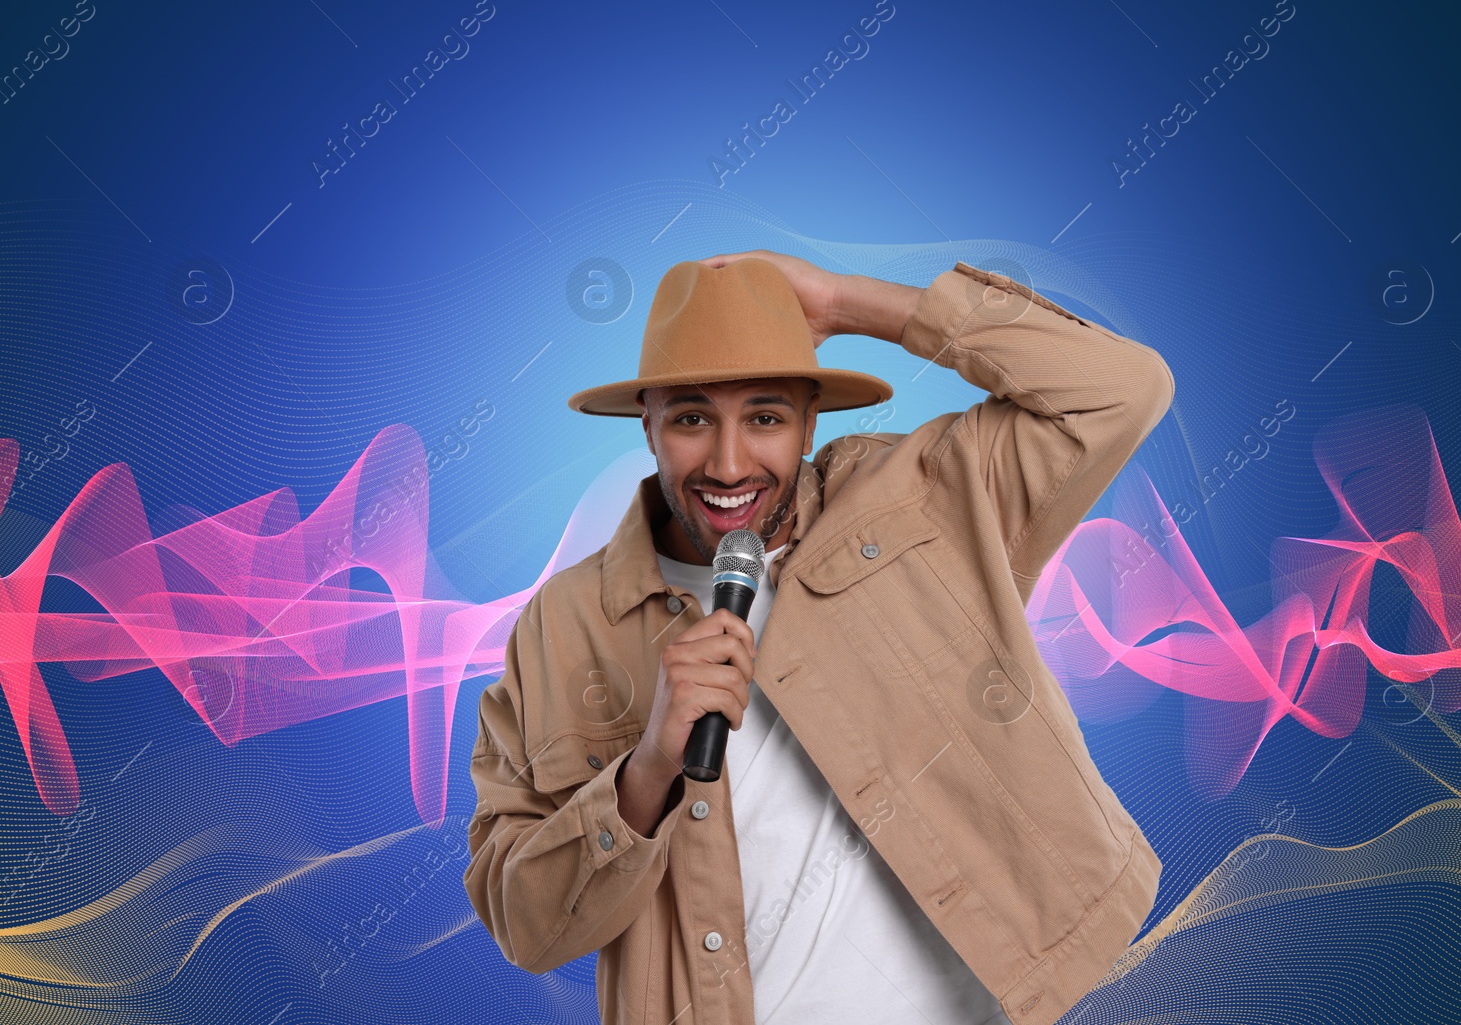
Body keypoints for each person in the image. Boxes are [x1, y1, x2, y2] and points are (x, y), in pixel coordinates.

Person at [463, 250, 1174, 1024]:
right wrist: (646, 771)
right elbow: (523, 924)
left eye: (765, 416)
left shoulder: (926, 496)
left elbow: (1121, 390)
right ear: (649, 426)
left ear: (809, 420)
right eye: (692, 417)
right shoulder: (562, 626)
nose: (729, 462)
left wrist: (844, 302)